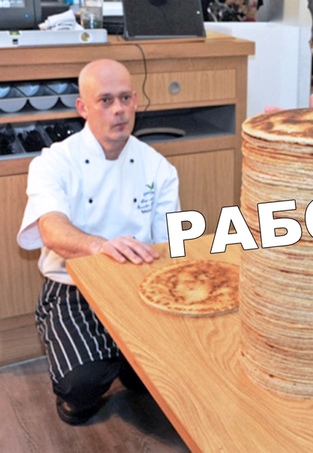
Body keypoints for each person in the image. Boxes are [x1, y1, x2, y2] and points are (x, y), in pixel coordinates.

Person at [17, 59, 180, 425]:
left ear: (136, 101)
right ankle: (97, 368)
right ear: (83, 107)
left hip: (139, 283)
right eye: (105, 100)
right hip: (71, 286)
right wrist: (99, 246)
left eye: (125, 98)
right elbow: (52, 228)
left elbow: (169, 245)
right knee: (83, 384)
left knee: (160, 375)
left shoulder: (158, 168)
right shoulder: (54, 162)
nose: (118, 109)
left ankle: (127, 362)